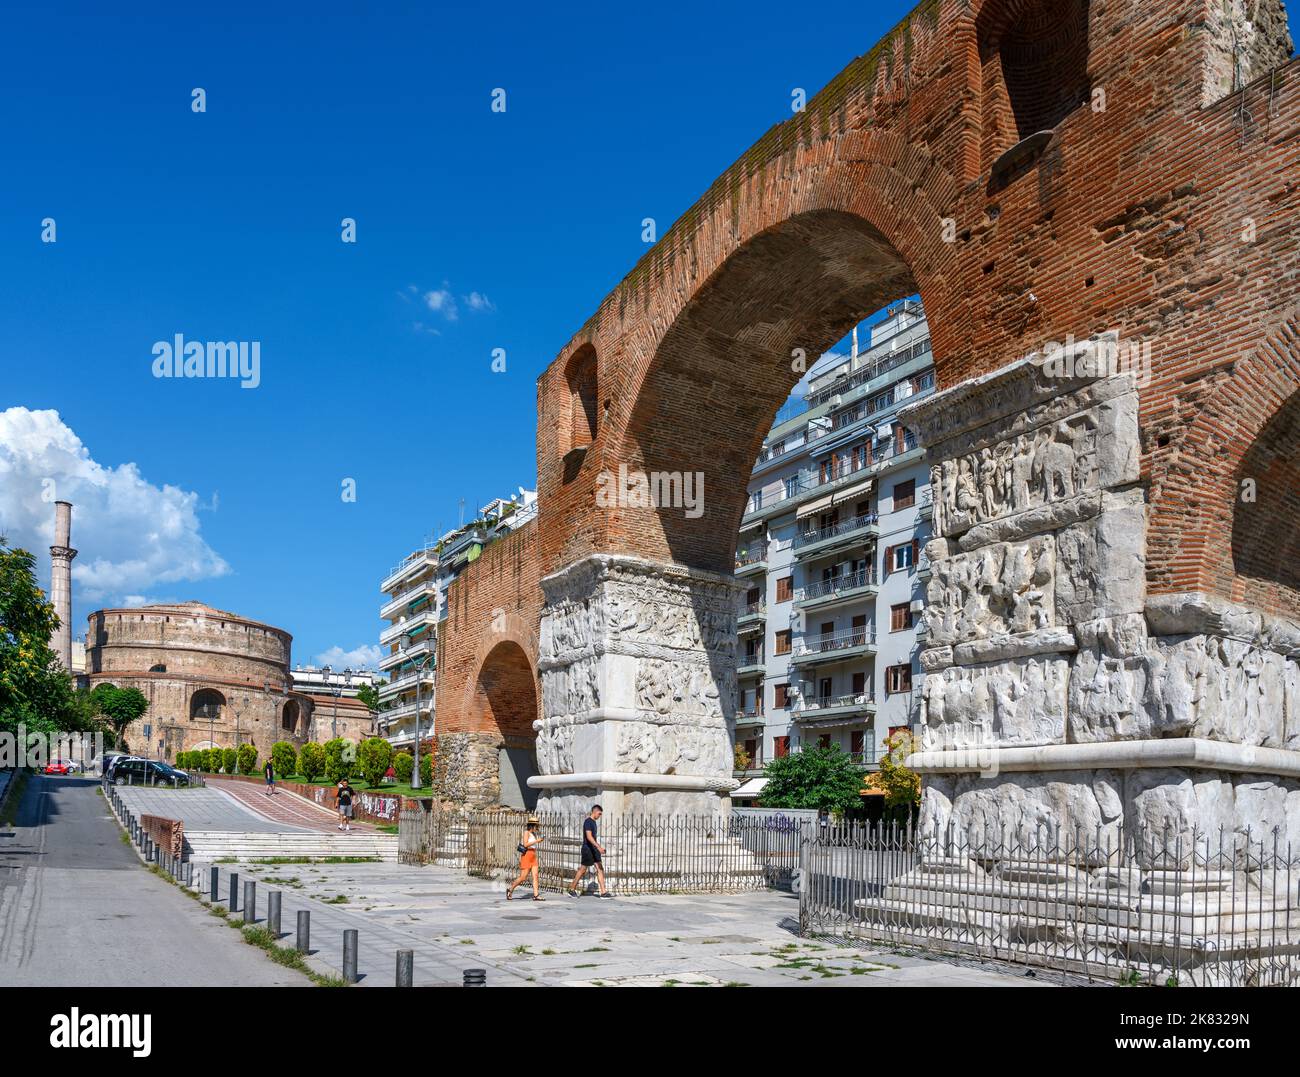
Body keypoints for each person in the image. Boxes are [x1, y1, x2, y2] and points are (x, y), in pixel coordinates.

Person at [568, 804, 610, 898]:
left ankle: (603, 892)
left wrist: (597, 848)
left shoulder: (594, 822)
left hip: (594, 849)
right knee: (583, 870)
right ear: (594, 812)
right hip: (587, 849)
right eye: (599, 814)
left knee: (600, 868)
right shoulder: (588, 822)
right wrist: (599, 847)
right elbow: (589, 837)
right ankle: (571, 889)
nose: (600, 816)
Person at [506, 816, 545, 901]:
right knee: (523, 877)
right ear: (532, 825)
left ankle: (536, 895)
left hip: (533, 855)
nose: (537, 828)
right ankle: (510, 889)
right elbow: (525, 844)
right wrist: (537, 841)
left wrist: (538, 840)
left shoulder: (534, 834)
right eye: (536, 826)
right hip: (527, 855)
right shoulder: (526, 832)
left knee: (535, 876)